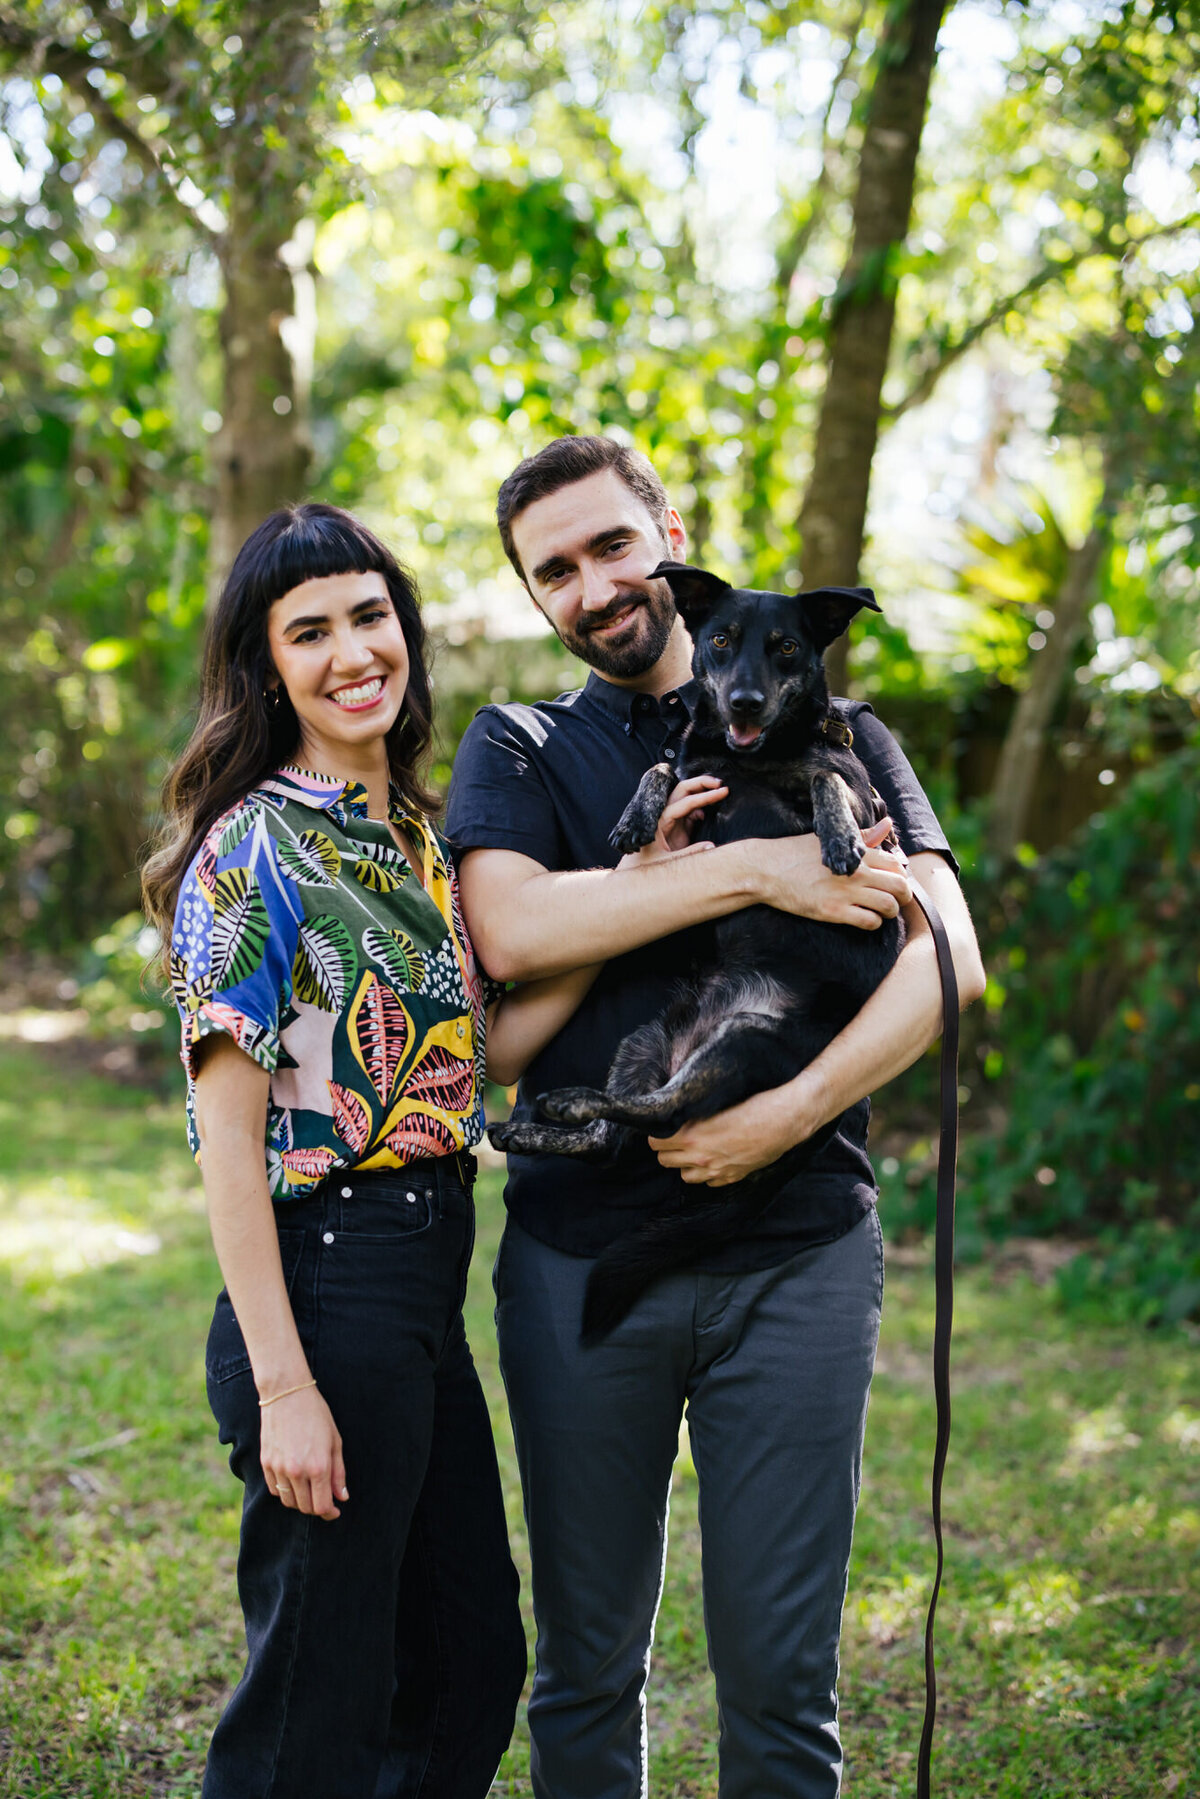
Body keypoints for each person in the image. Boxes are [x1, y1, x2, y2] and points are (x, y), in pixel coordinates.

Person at [446, 436, 986, 1799]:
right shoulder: (520, 745)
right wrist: (756, 867)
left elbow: (951, 958)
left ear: (669, 544)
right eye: (552, 571)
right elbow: (507, 931)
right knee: (583, 1673)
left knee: (782, 1692)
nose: (593, 586)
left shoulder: (852, 738)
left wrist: (790, 1112)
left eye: (610, 547)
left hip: (796, 1253)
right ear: (535, 598)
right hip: (582, 1263)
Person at [142, 502, 544, 1799]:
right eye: (307, 631)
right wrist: (282, 1390)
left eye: (369, 616)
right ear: (268, 668)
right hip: (329, 1287)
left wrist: (642, 903)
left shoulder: (414, 840)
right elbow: (227, 1136)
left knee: (471, 1658)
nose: (350, 650)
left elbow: (472, 1057)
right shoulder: (253, 846)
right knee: (317, 1708)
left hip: (427, 1286)